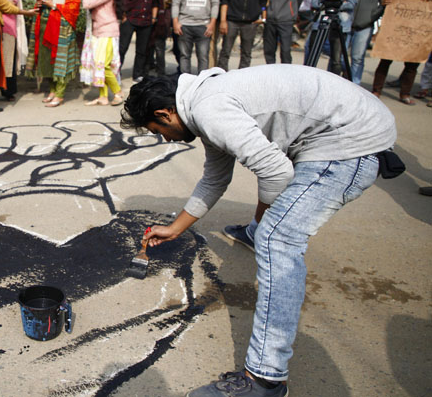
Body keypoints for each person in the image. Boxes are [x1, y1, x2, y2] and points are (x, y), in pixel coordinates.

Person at [119, 64, 397, 397]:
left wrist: (268, 222)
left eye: (157, 130)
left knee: (277, 238)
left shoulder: (210, 109)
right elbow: (215, 178)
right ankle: (255, 233)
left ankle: (265, 380)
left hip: (348, 144)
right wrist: (175, 228)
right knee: (270, 229)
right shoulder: (201, 105)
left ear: (165, 114)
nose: (164, 138)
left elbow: (277, 173)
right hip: (340, 132)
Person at [372, 0, 432, 105]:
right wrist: (385, 1)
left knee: (412, 65)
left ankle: (405, 93)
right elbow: (389, 3)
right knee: (385, 60)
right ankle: (376, 90)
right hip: (396, 31)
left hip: (418, 32)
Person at [25, 0, 81, 107]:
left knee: (59, 62)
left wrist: (53, 5)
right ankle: (52, 90)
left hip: (60, 31)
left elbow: (74, 8)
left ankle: (60, 94)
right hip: (44, 29)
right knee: (46, 62)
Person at [308, 0, 362, 77]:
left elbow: (351, 3)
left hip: (341, 23)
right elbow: (315, 1)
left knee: (336, 60)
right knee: (312, 54)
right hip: (322, 21)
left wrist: (327, 2)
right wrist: (334, 2)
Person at [80, 0, 123, 106]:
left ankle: (118, 92)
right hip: (99, 32)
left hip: (107, 32)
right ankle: (103, 96)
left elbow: (87, 4)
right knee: (98, 65)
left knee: (104, 66)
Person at [119, 0, 163, 83]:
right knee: (122, 47)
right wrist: (123, 15)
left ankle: (137, 74)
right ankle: (115, 72)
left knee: (142, 49)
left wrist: (154, 18)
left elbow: (156, 1)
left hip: (146, 19)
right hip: (130, 18)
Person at [171, 0, 219, 75]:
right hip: (185, 25)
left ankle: (202, 83)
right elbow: (176, 3)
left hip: (203, 25)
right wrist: (176, 22)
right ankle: (184, 81)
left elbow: (215, 4)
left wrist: (212, 24)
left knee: (203, 57)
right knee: (184, 56)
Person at [350, 0, 391, 85]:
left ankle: (354, 84)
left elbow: (385, 3)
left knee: (357, 58)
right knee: (340, 57)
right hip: (346, 24)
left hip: (365, 26)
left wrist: (372, 17)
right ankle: (342, 81)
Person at [146, 0, 175, 77]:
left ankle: (160, 70)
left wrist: (161, 5)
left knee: (159, 43)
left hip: (162, 14)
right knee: (148, 42)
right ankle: (149, 67)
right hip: (148, 12)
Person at [172, 0, 192, 71]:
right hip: (178, 21)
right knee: (177, 49)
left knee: (184, 50)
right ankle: (182, 69)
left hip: (186, 21)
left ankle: (185, 73)